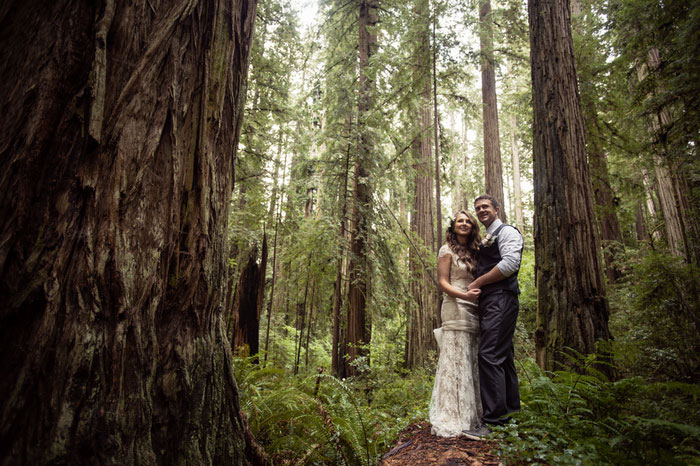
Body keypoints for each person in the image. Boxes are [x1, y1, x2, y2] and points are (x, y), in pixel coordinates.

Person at [464, 195, 523, 440]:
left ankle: (493, 422)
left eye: (485, 207)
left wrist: (478, 282)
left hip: (501, 300)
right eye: (478, 208)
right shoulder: (486, 239)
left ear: (497, 209)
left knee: (489, 354)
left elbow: (510, 264)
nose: (481, 211)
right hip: (491, 303)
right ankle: (509, 414)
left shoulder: (507, 232)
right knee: (502, 355)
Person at [429, 210, 483, 437]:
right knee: (454, 355)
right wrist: (464, 296)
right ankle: (451, 414)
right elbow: (442, 282)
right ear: (453, 226)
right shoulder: (446, 250)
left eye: (468, 221)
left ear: (472, 226)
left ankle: (471, 414)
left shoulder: (476, 251)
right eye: (460, 221)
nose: (464, 224)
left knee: (471, 355)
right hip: (455, 305)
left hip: (474, 307)